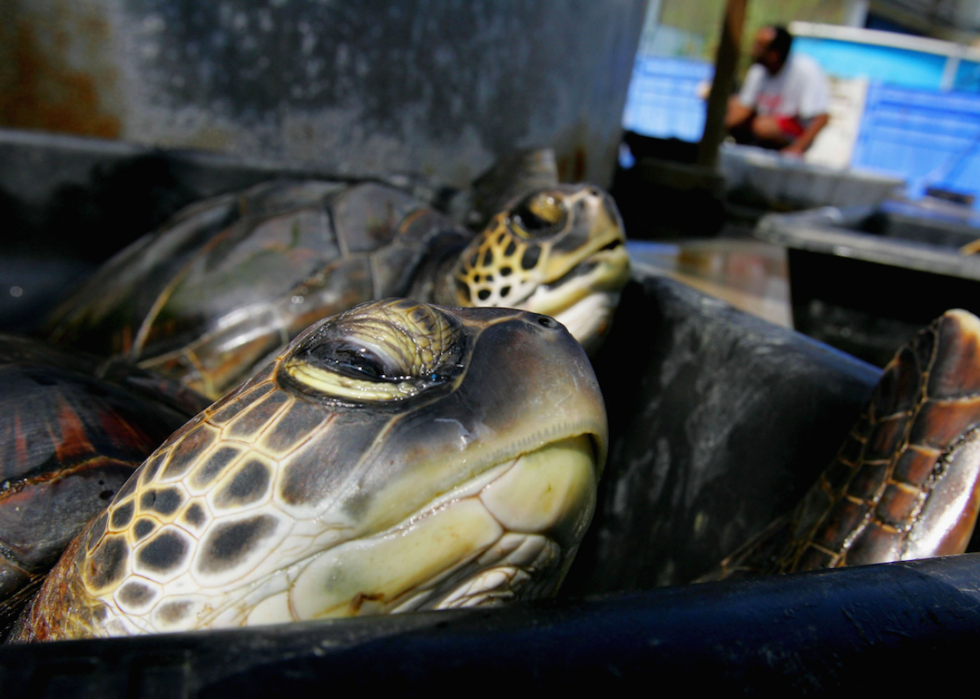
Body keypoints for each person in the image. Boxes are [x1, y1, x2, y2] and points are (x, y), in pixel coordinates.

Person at [725, 25, 830, 156]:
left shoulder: (806, 69)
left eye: (759, 46)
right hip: (764, 122)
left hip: (793, 129)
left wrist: (797, 148)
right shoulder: (758, 69)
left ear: (774, 55)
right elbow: (743, 108)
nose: (753, 49)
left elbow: (822, 118)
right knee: (727, 105)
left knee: (762, 126)